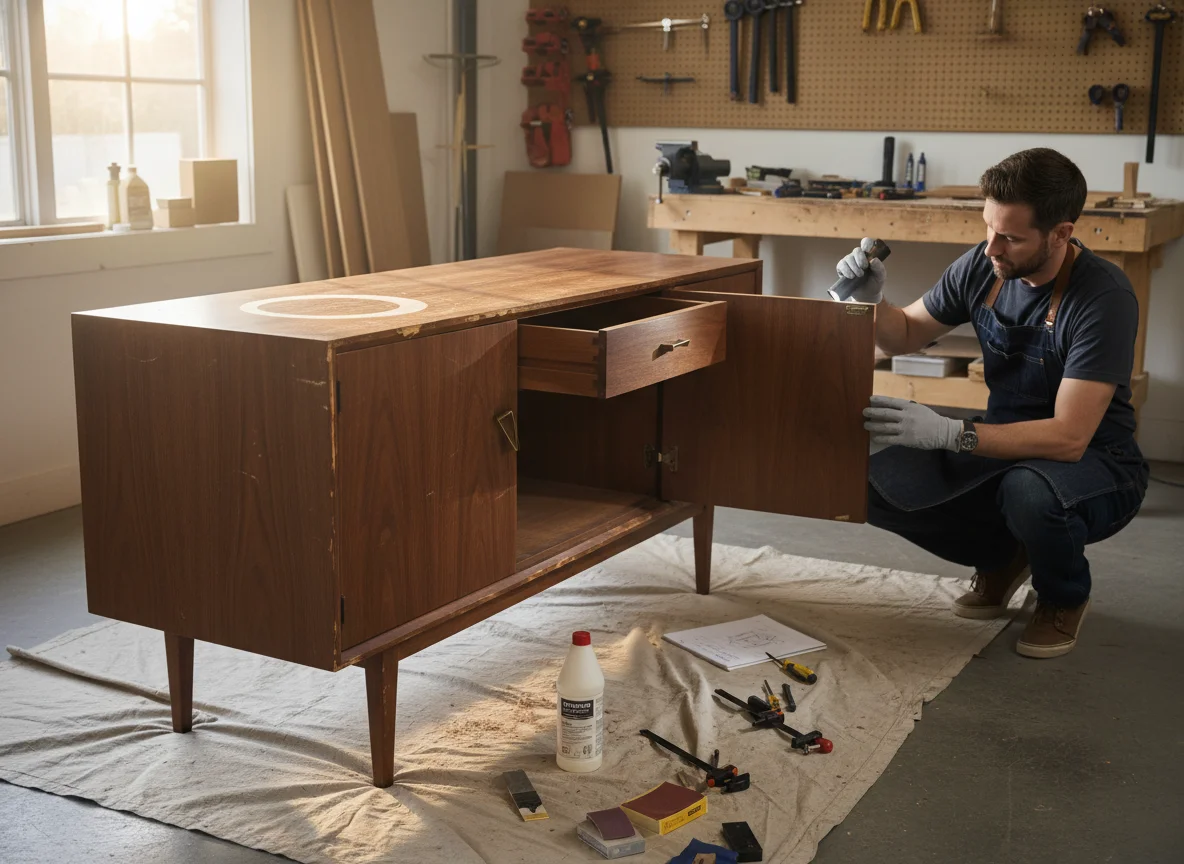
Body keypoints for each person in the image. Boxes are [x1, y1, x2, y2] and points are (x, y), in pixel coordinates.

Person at [834, 148, 1148, 659]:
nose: (990, 248)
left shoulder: (1103, 298)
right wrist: (871, 301)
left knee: (1031, 492)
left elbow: (1069, 438)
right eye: (988, 227)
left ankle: (1062, 597)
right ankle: (1002, 556)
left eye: (1010, 237)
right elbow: (906, 334)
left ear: (1062, 233)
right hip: (999, 448)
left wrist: (952, 434)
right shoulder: (984, 266)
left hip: (1097, 462)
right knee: (861, 475)